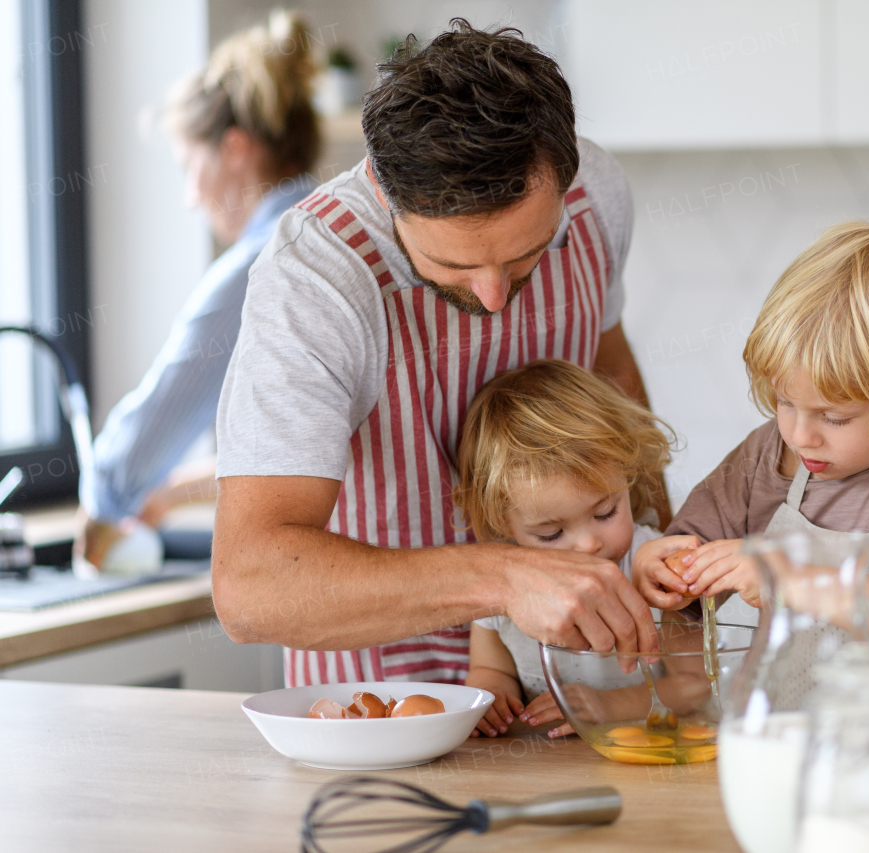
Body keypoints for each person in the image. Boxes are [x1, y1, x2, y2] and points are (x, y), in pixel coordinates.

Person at [213, 22, 667, 687]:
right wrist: (507, 577)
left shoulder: (597, 195)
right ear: (382, 187)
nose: (492, 296)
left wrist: (663, 573)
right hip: (382, 709)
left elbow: (614, 378)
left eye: (525, 257)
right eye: (451, 264)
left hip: (575, 690)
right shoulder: (316, 276)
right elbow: (250, 586)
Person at [632, 221, 869, 730]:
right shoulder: (769, 454)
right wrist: (662, 566)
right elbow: (689, 546)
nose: (801, 435)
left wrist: (785, 578)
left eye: (833, 417)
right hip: (788, 730)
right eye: (785, 402)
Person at [76, 11, 320, 567]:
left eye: (189, 166)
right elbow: (315, 438)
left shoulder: (262, 264)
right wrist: (174, 491)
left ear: (235, 149)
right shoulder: (338, 231)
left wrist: (104, 498)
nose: (190, 197)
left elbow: (139, 446)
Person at [452, 360, 673, 739]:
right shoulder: (500, 581)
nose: (589, 544)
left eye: (606, 512)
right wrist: (491, 694)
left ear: (627, 475)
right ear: (505, 523)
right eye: (551, 533)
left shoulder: (652, 562)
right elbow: (491, 669)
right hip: (543, 763)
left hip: (644, 753)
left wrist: (607, 707)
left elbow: (694, 685)